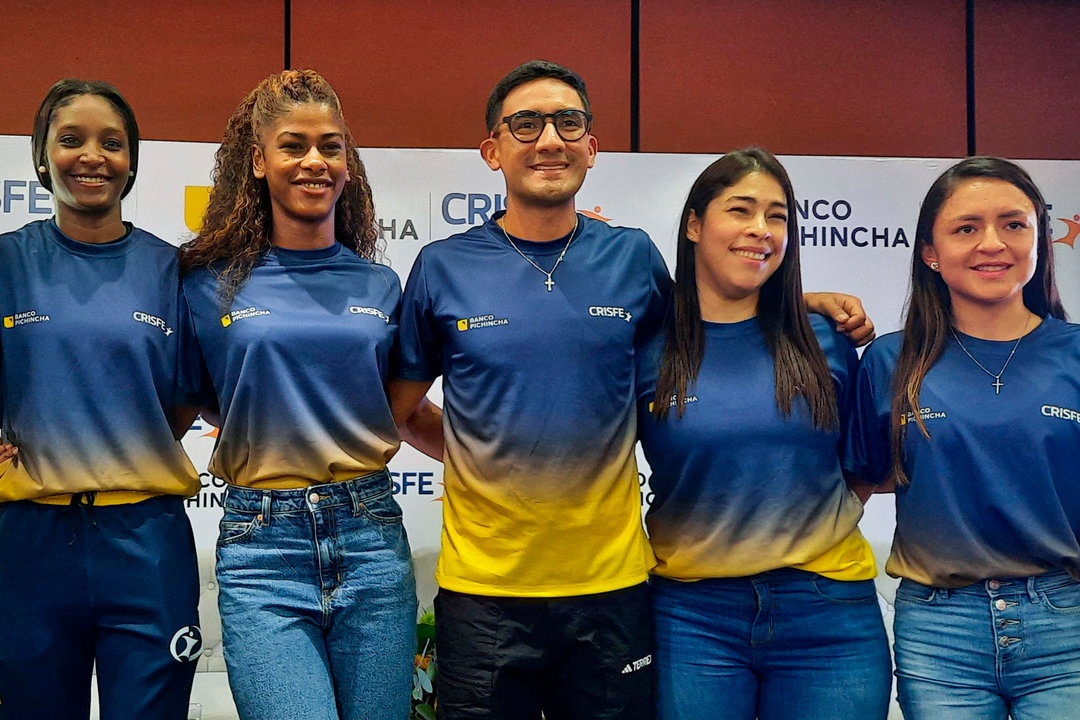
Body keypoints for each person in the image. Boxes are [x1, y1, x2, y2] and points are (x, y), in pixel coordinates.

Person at [389, 60, 875, 720]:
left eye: (569, 123)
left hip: (614, 590)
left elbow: (705, 329)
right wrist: (479, 459)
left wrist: (800, 304)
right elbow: (399, 409)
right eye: (526, 124)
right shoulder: (443, 266)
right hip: (484, 593)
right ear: (492, 150)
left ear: (592, 147)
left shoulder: (632, 258)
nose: (549, 139)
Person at [177, 69, 420, 720]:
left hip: (370, 537)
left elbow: (402, 409)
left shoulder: (380, 284)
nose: (315, 160)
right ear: (257, 160)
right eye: (293, 145)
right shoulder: (206, 284)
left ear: (348, 162)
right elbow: (189, 401)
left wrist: (498, 460)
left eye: (331, 145)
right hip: (263, 549)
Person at [637, 148, 891, 720]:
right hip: (692, 615)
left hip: (828, 610)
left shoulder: (827, 339)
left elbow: (863, 466)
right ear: (696, 225)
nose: (761, 229)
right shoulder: (647, 347)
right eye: (741, 210)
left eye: (777, 216)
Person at [847, 156, 1080, 719]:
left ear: (1039, 240)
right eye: (966, 228)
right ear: (930, 251)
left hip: (1065, 622)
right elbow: (852, 489)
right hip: (939, 631)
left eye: (1014, 224)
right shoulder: (890, 361)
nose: (992, 243)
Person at [0, 79, 201, 719]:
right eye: (71, 139)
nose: (93, 156)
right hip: (30, 543)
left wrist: (126, 440)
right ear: (40, 157)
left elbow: (185, 400)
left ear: (132, 161)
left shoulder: (174, 271)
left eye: (112, 143)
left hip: (145, 539)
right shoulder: (7, 262)